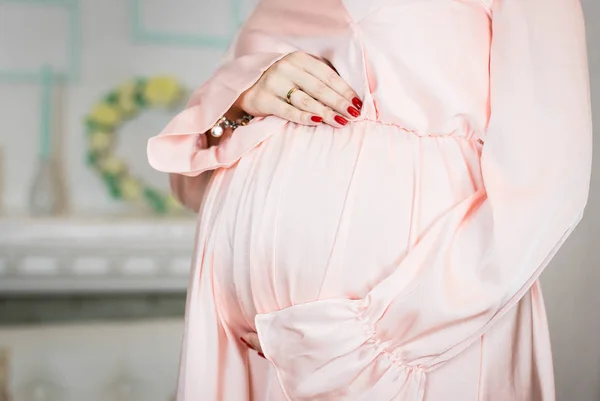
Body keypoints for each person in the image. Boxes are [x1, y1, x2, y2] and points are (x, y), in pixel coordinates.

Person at [147, 0, 592, 400]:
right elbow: (193, 182)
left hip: (398, 346)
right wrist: (241, 100)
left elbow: (547, 178)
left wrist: (381, 337)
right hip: (242, 347)